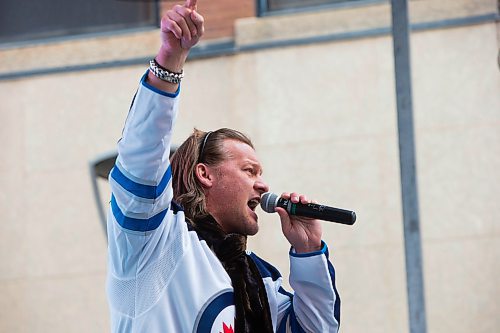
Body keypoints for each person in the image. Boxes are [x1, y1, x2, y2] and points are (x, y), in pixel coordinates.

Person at [106, 0, 341, 332]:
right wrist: (170, 61)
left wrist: (308, 250)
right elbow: (140, 156)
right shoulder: (154, 243)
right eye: (249, 171)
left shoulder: (260, 279)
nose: (263, 185)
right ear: (205, 174)